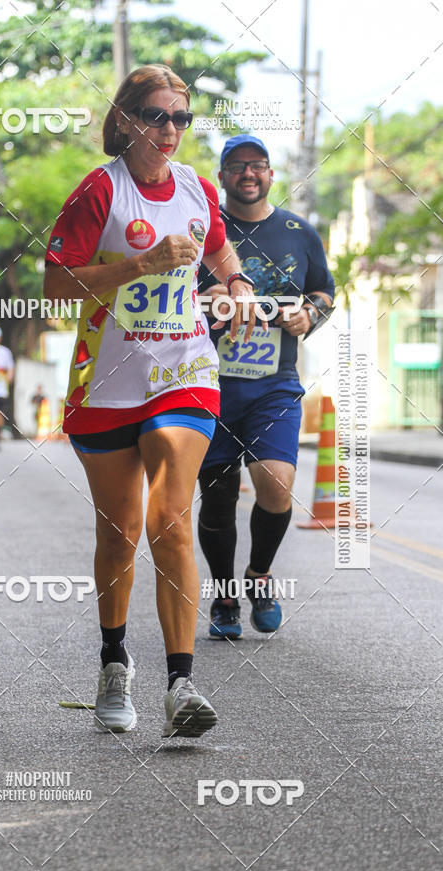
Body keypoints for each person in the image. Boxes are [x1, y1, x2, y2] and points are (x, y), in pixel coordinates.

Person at [44, 65, 261, 738]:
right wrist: (140, 264)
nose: (171, 131)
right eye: (158, 116)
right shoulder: (99, 191)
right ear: (129, 120)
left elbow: (220, 252)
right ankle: (114, 662)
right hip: (108, 383)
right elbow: (55, 291)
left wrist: (239, 283)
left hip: (185, 369)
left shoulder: (197, 186)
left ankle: (182, 683)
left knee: (170, 518)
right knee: (120, 535)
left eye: (181, 119)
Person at [196, 135, 335, 639]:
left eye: (257, 166)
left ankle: (258, 575)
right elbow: (171, 292)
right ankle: (225, 597)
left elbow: (325, 290)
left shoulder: (299, 232)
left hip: (274, 384)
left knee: (276, 483)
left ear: (272, 174)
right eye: (237, 166)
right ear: (222, 175)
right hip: (207, 385)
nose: (248, 174)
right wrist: (204, 295)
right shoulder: (204, 229)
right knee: (217, 497)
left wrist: (309, 314)